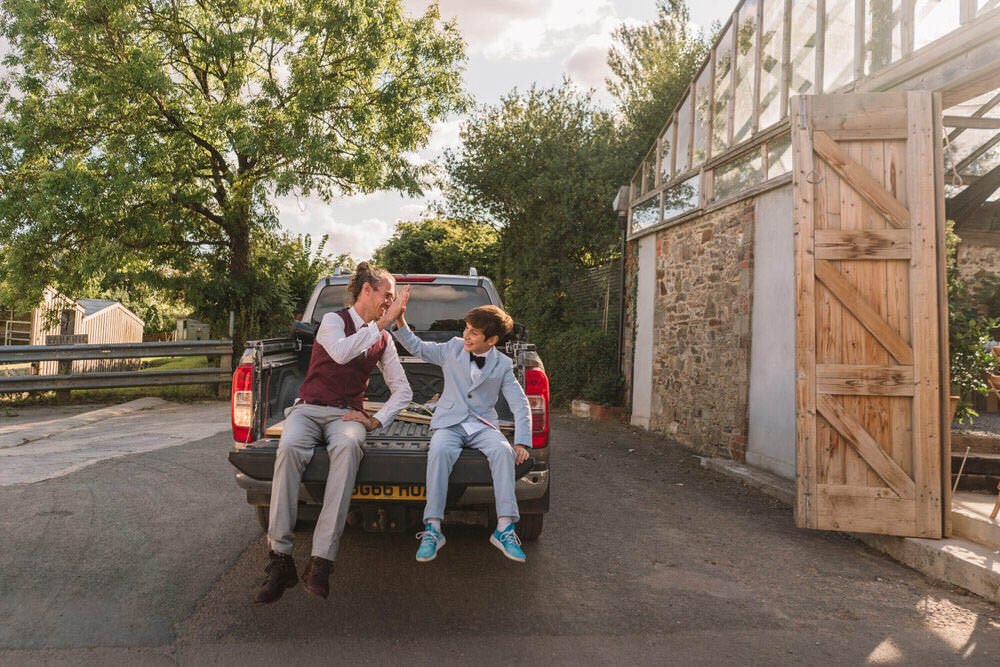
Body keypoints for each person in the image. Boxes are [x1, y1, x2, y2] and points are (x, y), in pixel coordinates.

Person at [256, 262, 412, 604]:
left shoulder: (383, 339)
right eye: (387, 295)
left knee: (349, 448)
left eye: (393, 298)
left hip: (346, 414)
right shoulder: (332, 321)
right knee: (289, 448)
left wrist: (377, 420)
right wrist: (381, 324)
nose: (390, 303)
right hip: (308, 408)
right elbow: (341, 353)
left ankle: (321, 562)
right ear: (366, 290)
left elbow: (403, 390)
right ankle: (280, 559)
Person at [391, 288, 532, 563]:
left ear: (491, 340)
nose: (466, 335)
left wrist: (522, 441)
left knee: (503, 452)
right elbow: (418, 347)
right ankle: (433, 528)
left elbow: (519, 402)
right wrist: (399, 320)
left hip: (482, 425)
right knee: (439, 450)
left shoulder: (503, 365)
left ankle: (504, 527)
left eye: (474, 333)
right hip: (449, 422)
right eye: (466, 328)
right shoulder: (452, 348)